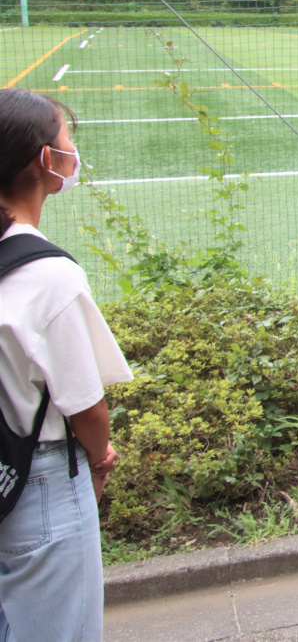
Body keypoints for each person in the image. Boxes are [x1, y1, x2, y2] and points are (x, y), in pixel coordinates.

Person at [0, 88, 134, 641]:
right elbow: (86, 407)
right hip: (43, 480)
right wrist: (100, 458)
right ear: (44, 160)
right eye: (67, 138)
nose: (72, 148)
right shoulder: (48, 276)